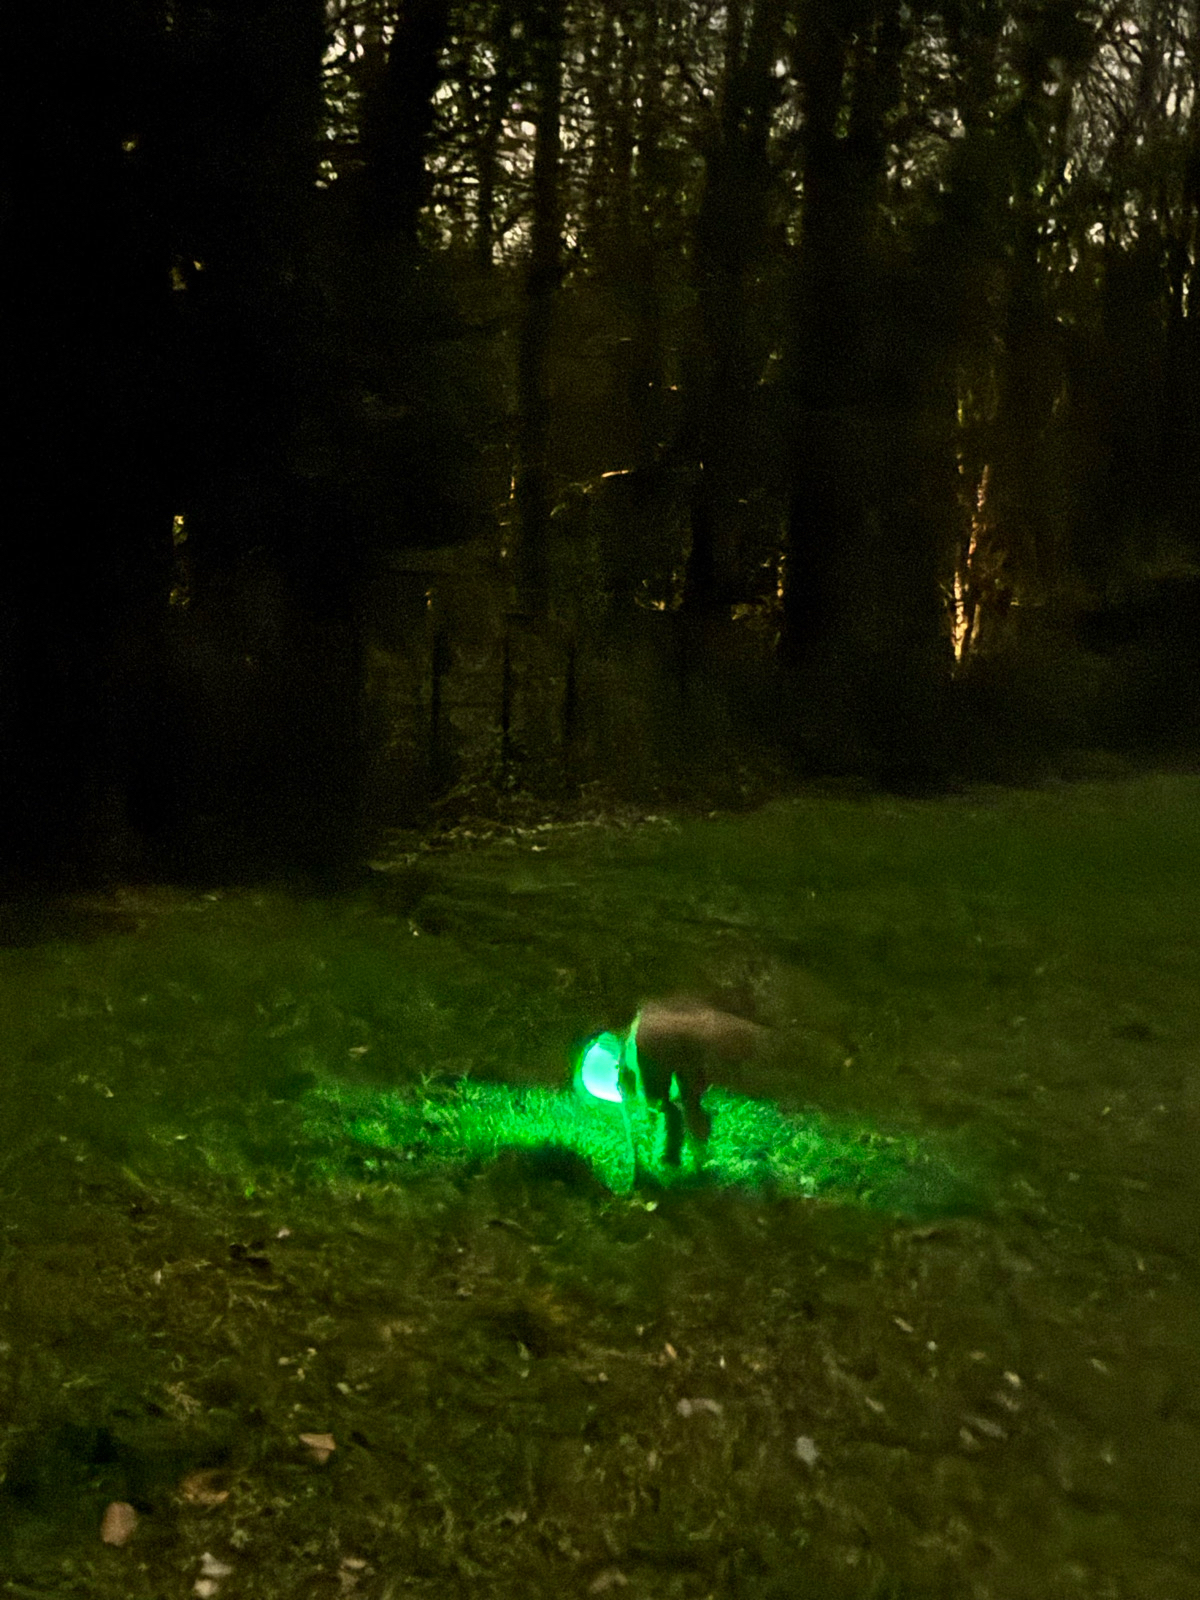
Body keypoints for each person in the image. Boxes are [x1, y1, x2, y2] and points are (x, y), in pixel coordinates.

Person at [622, 997, 770, 1165]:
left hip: (663, 1034)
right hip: (668, 1031)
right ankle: (683, 1152)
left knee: (677, 1099)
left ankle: (684, 1152)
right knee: (679, 1098)